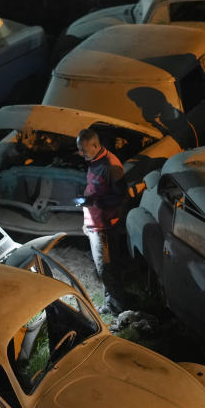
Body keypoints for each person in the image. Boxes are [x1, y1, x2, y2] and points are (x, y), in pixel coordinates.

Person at [76, 128, 126, 315]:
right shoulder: (95, 160)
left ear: (96, 146)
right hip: (95, 223)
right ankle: (110, 302)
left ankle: (116, 308)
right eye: (79, 149)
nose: (80, 153)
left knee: (107, 268)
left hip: (104, 226)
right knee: (103, 267)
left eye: (83, 149)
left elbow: (121, 197)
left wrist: (94, 202)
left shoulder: (111, 166)